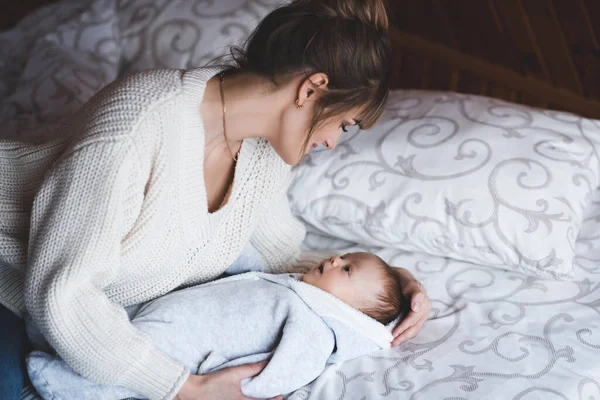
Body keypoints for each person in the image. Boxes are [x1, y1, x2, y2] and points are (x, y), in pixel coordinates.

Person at [0, 0, 431, 399]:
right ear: (311, 89)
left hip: (66, 317)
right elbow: (63, 297)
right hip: (13, 292)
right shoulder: (136, 126)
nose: (333, 142)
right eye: (346, 124)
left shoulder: (265, 155)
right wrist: (185, 387)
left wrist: (388, 288)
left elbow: (285, 261)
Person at [26, 252, 409, 399]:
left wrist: (255, 388)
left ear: (351, 311)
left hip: (190, 345)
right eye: (344, 255)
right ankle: (53, 328)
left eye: (347, 269)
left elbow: (293, 368)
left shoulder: (316, 329)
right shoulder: (295, 286)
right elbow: (248, 265)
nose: (335, 257)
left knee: (133, 356)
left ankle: (68, 384)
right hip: (175, 310)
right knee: (117, 321)